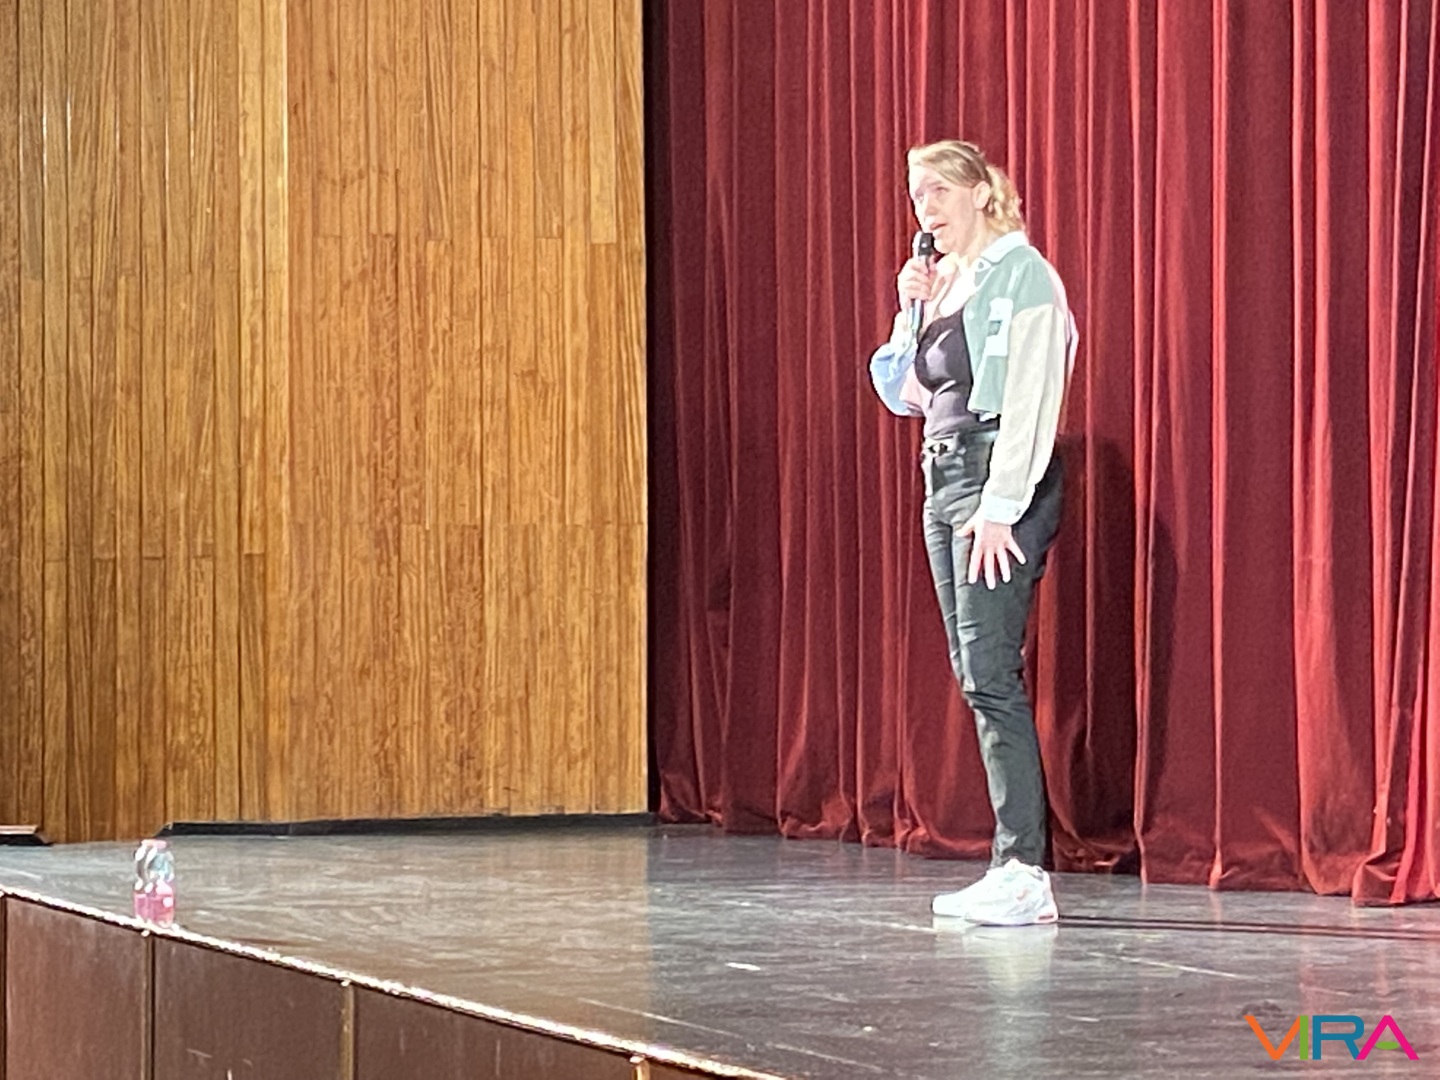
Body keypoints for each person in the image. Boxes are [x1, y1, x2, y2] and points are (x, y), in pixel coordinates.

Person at [869, 139, 1076, 926]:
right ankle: (1013, 868)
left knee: (991, 670)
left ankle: (1023, 870)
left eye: (938, 192)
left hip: (996, 477)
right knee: (973, 671)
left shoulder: (1024, 276)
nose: (925, 209)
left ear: (981, 193)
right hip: (943, 476)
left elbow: (1032, 397)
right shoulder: (944, 282)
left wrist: (1001, 506)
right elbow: (903, 394)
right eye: (916, 196)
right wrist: (910, 310)